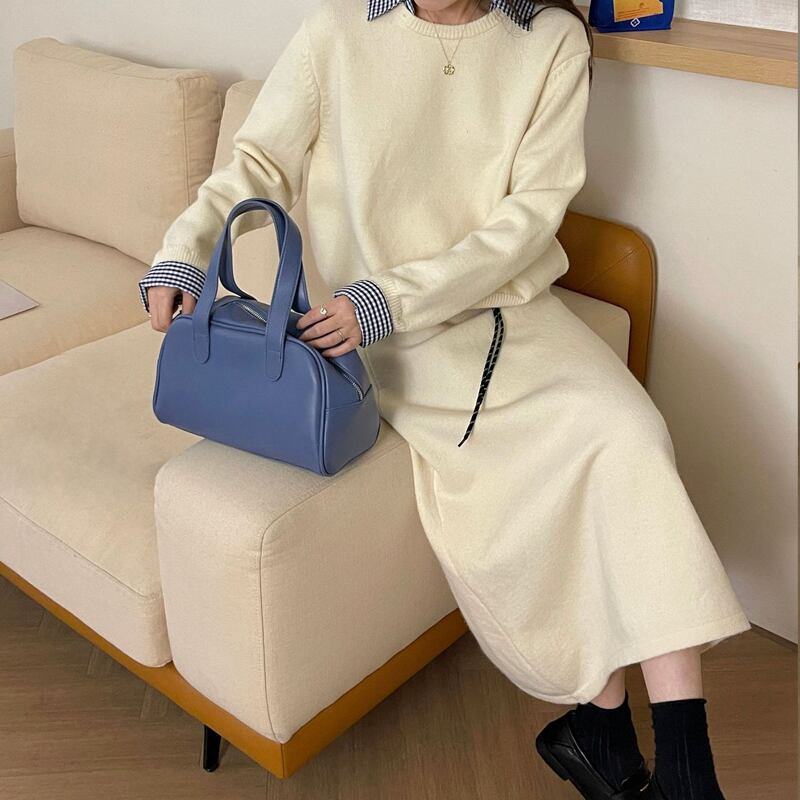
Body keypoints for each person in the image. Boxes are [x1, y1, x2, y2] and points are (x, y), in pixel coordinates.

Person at [137, 2, 752, 797]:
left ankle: (673, 764)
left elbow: (529, 219)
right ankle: (615, 741)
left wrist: (392, 296)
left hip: (509, 311)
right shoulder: (338, 32)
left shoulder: (552, 42)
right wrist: (184, 251)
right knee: (561, 474)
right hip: (385, 337)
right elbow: (259, 164)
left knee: (630, 431)